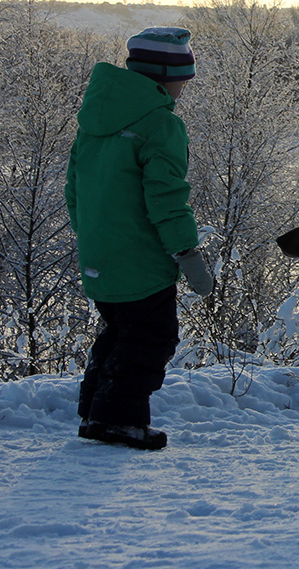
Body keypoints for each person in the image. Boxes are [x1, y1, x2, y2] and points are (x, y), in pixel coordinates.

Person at [65, 26, 213, 450]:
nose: (186, 84)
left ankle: (96, 412)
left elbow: (74, 189)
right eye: (184, 75)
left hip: (100, 254)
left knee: (118, 333)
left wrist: (94, 237)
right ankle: (119, 421)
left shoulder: (94, 120)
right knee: (151, 337)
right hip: (141, 260)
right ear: (165, 75)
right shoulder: (160, 125)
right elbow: (166, 200)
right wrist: (187, 253)